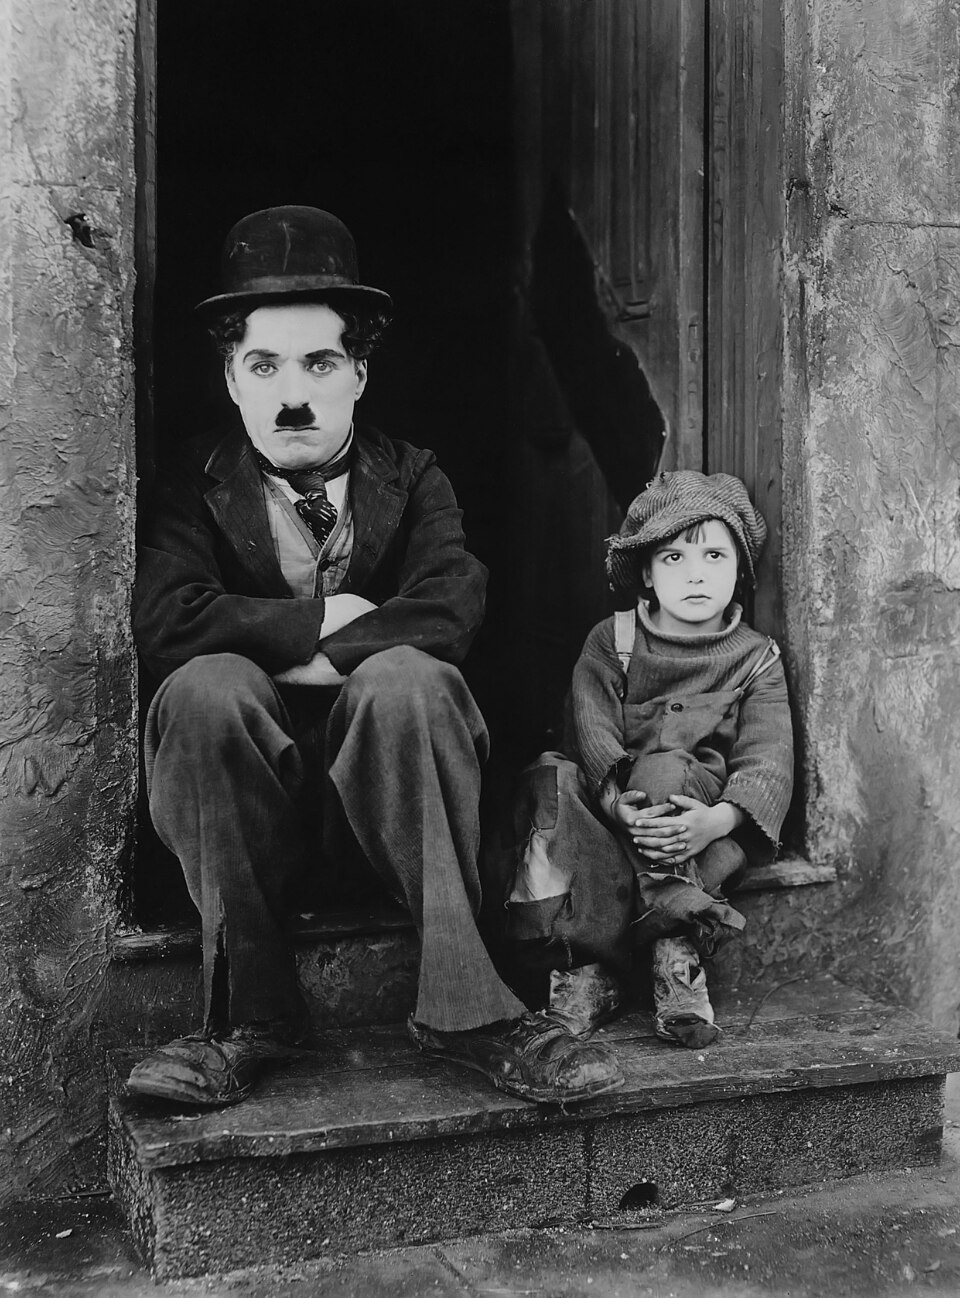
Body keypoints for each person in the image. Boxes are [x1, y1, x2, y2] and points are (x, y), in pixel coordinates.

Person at [127, 206, 622, 1108]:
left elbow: (449, 609)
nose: (292, 395)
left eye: (319, 364)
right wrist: (322, 627)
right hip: (246, 828)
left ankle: (467, 1009)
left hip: (402, 822)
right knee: (204, 688)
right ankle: (248, 1018)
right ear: (230, 378)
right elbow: (167, 620)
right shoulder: (191, 483)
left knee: (410, 678)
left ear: (359, 371)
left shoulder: (415, 474)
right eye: (263, 365)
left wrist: (336, 654)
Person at [502, 471, 794, 1045]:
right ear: (645, 572)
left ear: (740, 571)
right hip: (612, 820)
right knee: (549, 777)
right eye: (673, 557)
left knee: (663, 766)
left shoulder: (756, 658)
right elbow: (588, 730)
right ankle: (598, 967)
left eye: (714, 554)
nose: (695, 573)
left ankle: (673, 958)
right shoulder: (612, 641)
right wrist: (615, 806)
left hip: (692, 829)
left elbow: (769, 757)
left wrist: (718, 820)